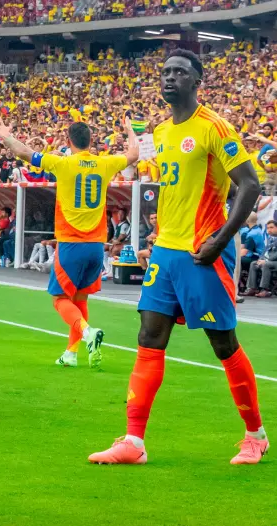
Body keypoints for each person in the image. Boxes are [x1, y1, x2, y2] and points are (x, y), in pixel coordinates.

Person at [88, 49, 267, 466]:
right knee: (149, 338)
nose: (169, 78)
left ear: (196, 81)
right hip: (166, 254)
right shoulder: (164, 132)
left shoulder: (214, 128)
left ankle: (255, 435)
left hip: (202, 253)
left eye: (180, 72)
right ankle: (134, 441)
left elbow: (250, 184)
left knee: (223, 344)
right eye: (165, 71)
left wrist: (222, 240)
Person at [0, 117, 138, 368]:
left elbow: (23, 152)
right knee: (80, 300)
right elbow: (133, 153)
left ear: (69, 141)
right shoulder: (104, 162)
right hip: (95, 246)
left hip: (71, 243)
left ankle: (88, 333)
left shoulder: (62, 163)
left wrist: (5, 135)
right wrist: (131, 130)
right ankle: (71, 353)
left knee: (59, 299)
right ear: (91, 141)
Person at [243, 219, 277, 298]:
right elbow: (264, 251)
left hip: (274, 262)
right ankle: (252, 288)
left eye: (271, 227)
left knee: (266, 264)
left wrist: (265, 260)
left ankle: (265, 289)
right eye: (268, 228)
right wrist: (260, 259)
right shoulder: (270, 238)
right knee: (254, 263)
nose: (269, 230)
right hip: (270, 261)